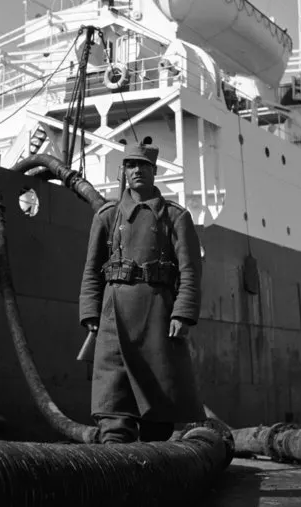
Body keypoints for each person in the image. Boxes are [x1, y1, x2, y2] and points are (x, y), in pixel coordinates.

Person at [78, 142, 204, 444]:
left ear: (154, 171)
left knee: (158, 400)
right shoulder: (107, 216)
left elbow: (190, 270)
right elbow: (92, 269)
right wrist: (90, 312)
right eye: (131, 165)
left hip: (157, 315)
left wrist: (183, 312)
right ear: (124, 171)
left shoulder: (175, 217)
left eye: (143, 166)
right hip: (113, 315)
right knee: (112, 397)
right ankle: (115, 465)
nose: (136, 171)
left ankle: (154, 467)